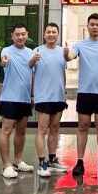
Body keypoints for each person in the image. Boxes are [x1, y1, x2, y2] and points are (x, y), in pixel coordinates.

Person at [66, 13, 98, 178]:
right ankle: (80, 161)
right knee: (83, 126)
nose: (95, 27)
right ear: (87, 26)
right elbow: (71, 56)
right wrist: (66, 53)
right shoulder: (80, 45)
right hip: (85, 92)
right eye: (92, 24)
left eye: (97, 25)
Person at [30, 23, 70, 177]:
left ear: (58, 34)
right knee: (42, 130)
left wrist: (64, 92)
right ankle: (42, 163)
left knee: (55, 129)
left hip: (58, 97)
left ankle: (52, 160)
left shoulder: (62, 52)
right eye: (48, 32)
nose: (51, 34)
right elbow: (30, 69)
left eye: (54, 32)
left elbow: (62, 73)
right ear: (44, 34)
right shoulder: (37, 51)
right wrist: (32, 95)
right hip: (43, 97)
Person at [0, 24, 35, 179]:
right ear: (12, 36)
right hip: (9, 98)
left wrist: (32, 96)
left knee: (21, 131)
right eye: (17, 34)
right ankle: (6, 165)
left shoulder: (31, 52)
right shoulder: (7, 51)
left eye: (23, 34)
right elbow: (4, 62)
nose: (20, 37)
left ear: (27, 35)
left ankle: (18, 161)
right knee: (6, 131)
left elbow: (32, 74)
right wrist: (4, 62)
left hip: (25, 98)